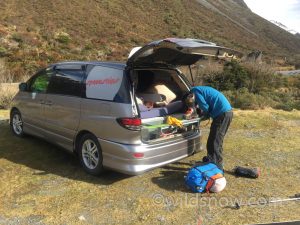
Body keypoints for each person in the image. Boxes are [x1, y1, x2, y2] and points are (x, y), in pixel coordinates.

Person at [190, 86, 233, 170]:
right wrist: (203, 117)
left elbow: (205, 107)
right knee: (214, 139)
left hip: (222, 114)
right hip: (225, 113)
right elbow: (208, 109)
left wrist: (199, 115)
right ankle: (211, 159)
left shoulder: (195, 91)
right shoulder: (201, 89)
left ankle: (217, 166)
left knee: (215, 141)